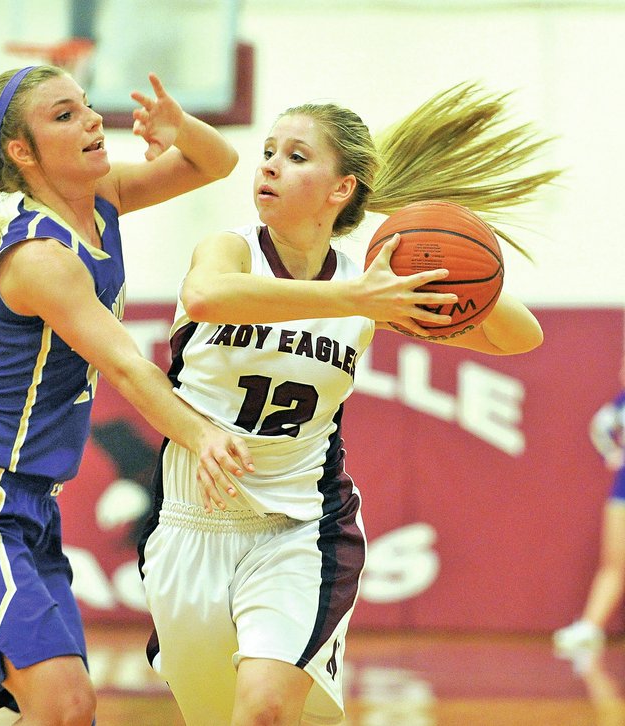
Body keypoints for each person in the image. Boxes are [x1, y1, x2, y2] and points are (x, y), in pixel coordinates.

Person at [137, 82, 560, 726]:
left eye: (297, 155)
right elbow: (206, 298)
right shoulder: (234, 249)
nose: (271, 164)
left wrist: (444, 242)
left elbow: (517, 336)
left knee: (264, 712)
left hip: (302, 528)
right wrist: (358, 299)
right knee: (216, 716)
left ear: (343, 189)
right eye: (269, 151)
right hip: (191, 525)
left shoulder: (371, 285)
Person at [0, 65, 255, 726]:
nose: (93, 120)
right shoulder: (40, 256)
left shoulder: (103, 200)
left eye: (87, 106)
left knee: (70, 713)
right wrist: (201, 433)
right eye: (64, 115)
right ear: (22, 152)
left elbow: (217, 162)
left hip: (31, 512)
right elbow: (124, 366)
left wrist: (179, 128)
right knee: (63, 705)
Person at [553, 356, 625, 657]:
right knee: (614, 561)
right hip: (623, 487)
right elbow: (600, 427)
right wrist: (612, 453)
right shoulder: (620, 403)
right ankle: (591, 627)